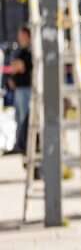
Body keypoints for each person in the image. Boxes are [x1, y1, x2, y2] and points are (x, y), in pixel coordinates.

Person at [9, 26, 33, 154]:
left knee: (25, 118)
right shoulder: (20, 51)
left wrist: (16, 66)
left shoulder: (29, 51)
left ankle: (26, 145)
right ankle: (20, 144)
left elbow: (20, 67)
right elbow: (14, 67)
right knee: (18, 118)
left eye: (21, 35)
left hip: (26, 89)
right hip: (19, 89)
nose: (19, 38)